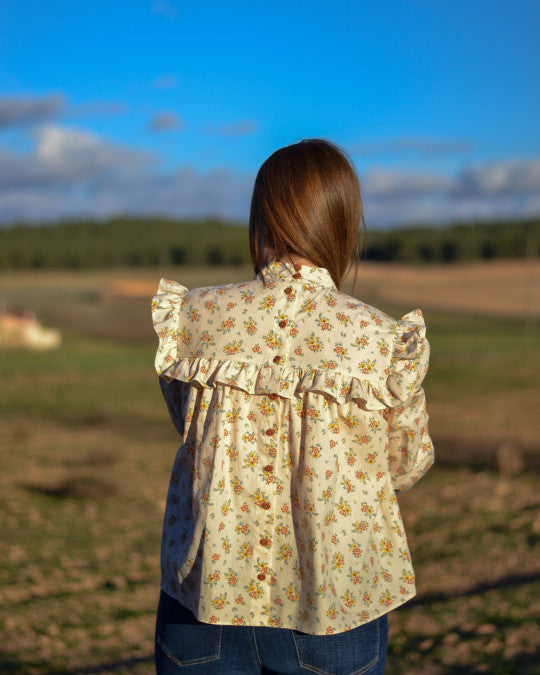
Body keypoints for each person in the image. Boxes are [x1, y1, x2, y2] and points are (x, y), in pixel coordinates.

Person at [151, 139, 434, 674]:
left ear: (262, 216)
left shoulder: (195, 316)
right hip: (333, 604)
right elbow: (404, 464)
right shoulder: (378, 338)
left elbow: (186, 426)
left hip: (207, 596)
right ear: (341, 222)